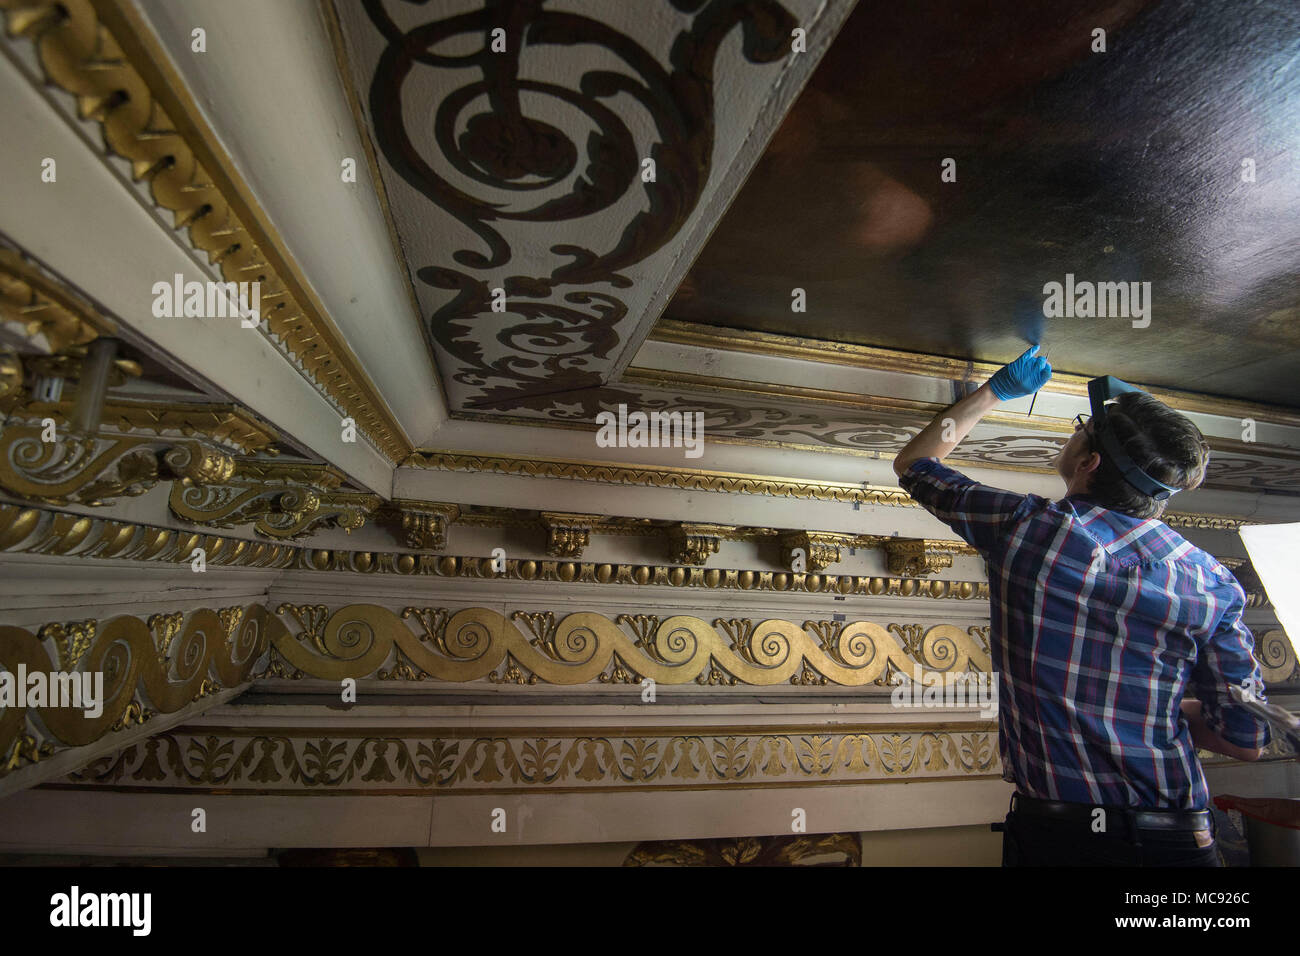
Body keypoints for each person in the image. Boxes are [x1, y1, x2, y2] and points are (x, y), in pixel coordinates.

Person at [892, 346, 1271, 866]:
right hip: (1181, 843)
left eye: (1081, 428)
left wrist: (995, 391)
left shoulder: (1030, 531)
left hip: (1061, 840)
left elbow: (916, 465)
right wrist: (1152, 709)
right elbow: (1246, 739)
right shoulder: (1212, 581)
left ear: (1089, 463)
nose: (1074, 432)